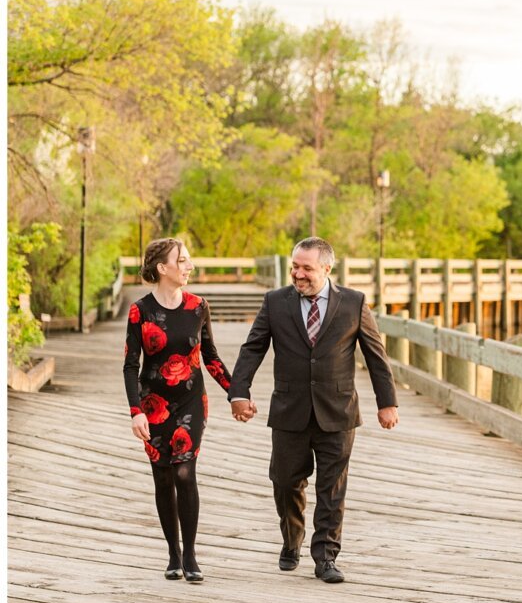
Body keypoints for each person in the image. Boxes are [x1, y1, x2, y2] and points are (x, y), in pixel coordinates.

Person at [229, 237, 398, 583]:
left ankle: (325, 557)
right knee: (285, 481)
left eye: (306, 267)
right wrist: (239, 391)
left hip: (338, 410)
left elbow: (375, 355)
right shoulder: (276, 302)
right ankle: (292, 540)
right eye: (295, 266)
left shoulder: (354, 303)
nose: (298, 273)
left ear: (326, 268)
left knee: (332, 488)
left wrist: (387, 402)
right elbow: (253, 348)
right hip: (289, 409)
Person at [123, 238, 233, 583]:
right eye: (182, 260)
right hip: (153, 405)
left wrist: (236, 392)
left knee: (185, 473)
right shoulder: (139, 310)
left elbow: (211, 356)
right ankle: (172, 553)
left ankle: (190, 554)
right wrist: (135, 411)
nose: (189, 266)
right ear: (162, 268)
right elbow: (130, 365)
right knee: (163, 476)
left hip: (190, 403)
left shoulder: (199, 306)